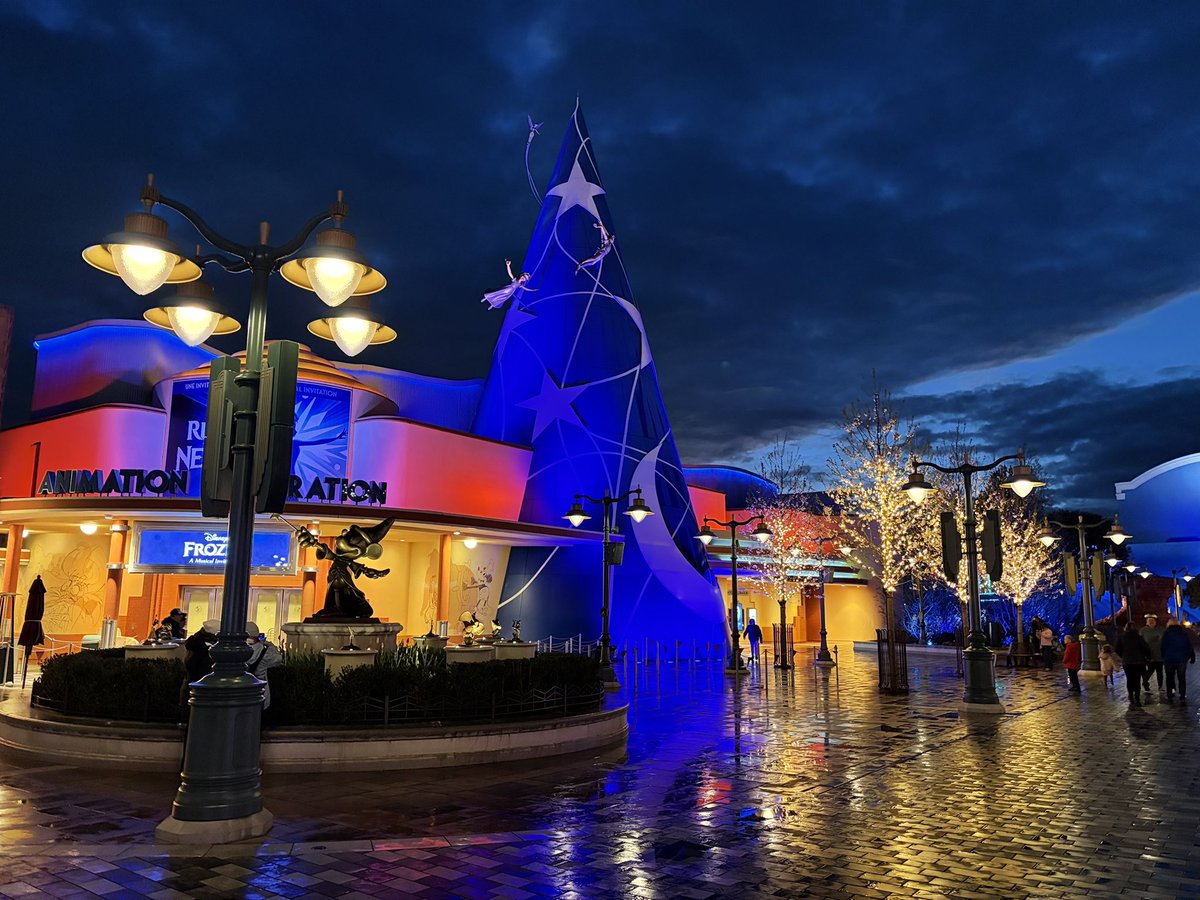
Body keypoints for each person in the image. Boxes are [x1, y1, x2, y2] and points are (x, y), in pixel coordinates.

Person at [245, 621, 284, 710]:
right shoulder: (264, 651)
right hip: (259, 692)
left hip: (241, 693)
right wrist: (268, 644)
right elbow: (278, 659)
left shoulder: (239, 650)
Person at [1160, 616, 1195, 703]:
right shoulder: (1183, 633)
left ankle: (1170, 695)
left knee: (1169, 677)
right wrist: (1188, 656)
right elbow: (1189, 645)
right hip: (1181, 659)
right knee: (1181, 678)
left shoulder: (1166, 633)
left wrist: (1164, 656)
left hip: (1169, 659)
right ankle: (1182, 695)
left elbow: (1162, 646)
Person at [1117, 622, 1151, 706]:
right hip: (1138, 662)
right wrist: (1147, 657)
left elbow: (1117, 649)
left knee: (1129, 679)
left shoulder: (1122, 637)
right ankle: (1137, 698)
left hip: (1127, 662)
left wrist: (1123, 656)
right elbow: (1146, 648)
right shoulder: (1139, 637)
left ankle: (1131, 697)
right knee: (1137, 680)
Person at [1141, 614, 1165, 693]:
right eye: (1149, 620)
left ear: (1155, 622)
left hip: (1159, 654)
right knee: (1150, 670)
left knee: (1159, 671)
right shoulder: (1143, 630)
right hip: (1149, 654)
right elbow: (1140, 642)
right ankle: (1145, 682)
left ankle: (1160, 686)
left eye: (1152, 620)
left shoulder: (1160, 630)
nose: (1151, 622)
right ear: (1146, 622)